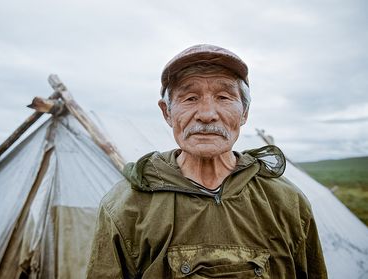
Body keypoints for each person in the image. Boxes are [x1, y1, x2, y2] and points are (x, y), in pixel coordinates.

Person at [86, 44, 328, 278]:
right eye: (190, 98)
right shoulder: (126, 206)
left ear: (244, 112)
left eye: (223, 97)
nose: (207, 114)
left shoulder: (286, 202)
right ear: (167, 112)